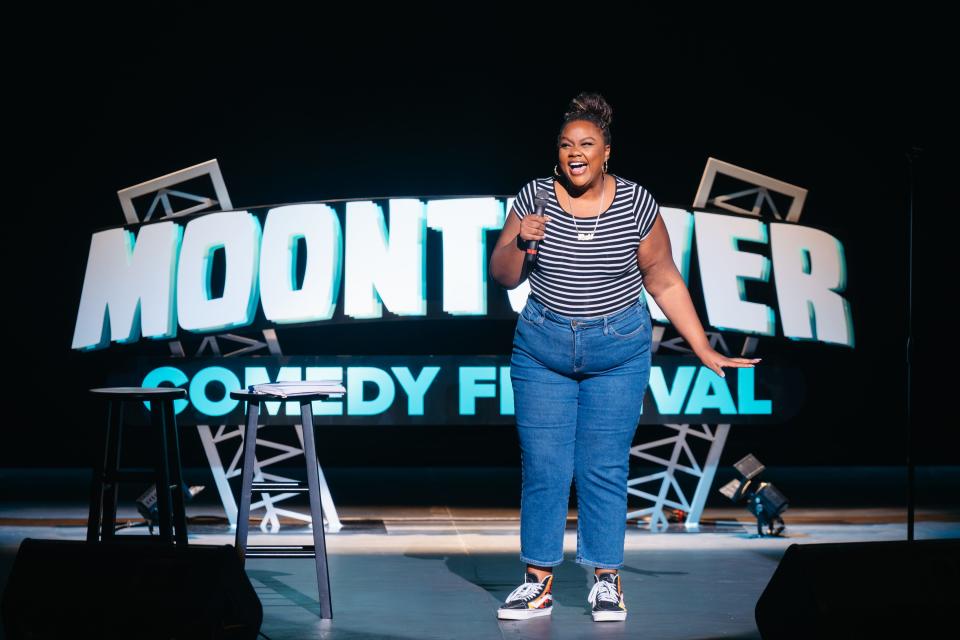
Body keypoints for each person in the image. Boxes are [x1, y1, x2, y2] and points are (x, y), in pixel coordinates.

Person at [489, 92, 761, 622]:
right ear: (557, 154)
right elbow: (503, 277)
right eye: (567, 144)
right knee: (545, 466)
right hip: (542, 350)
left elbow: (663, 280)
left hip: (618, 351)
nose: (576, 152)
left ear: (606, 152)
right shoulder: (532, 199)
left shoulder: (637, 204)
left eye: (586, 144)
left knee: (603, 466)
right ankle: (537, 583)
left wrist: (703, 347)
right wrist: (521, 241)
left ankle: (606, 581)